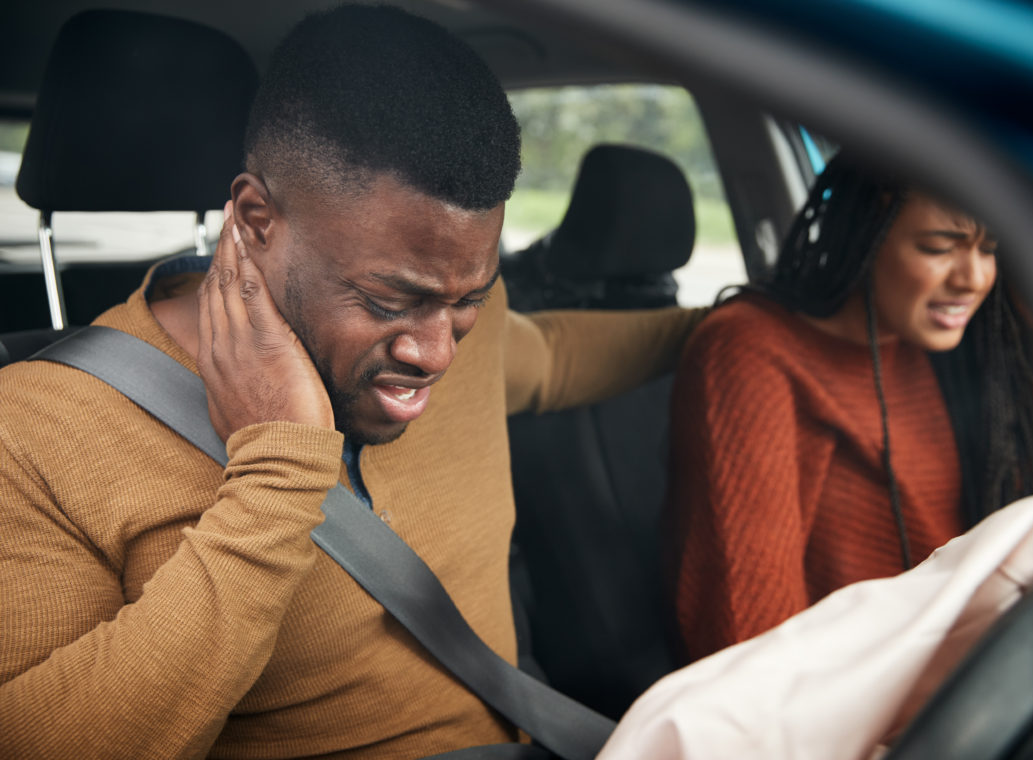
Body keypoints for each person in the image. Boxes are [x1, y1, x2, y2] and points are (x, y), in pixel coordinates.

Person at [0, 5, 704, 757]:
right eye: (388, 302)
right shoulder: (39, 427)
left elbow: (558, 356)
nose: (438, 353)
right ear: (256, 218)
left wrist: (747, 320)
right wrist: (275, 480)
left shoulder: (467, 319)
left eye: (467, 298)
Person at [666, 152, 1033, 662]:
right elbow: (746, 637)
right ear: (861, 237)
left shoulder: (955, 345)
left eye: (990, 249)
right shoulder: (751, 353)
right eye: (938, 248)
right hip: (848, 708)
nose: (975, 278)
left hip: (978, 671)